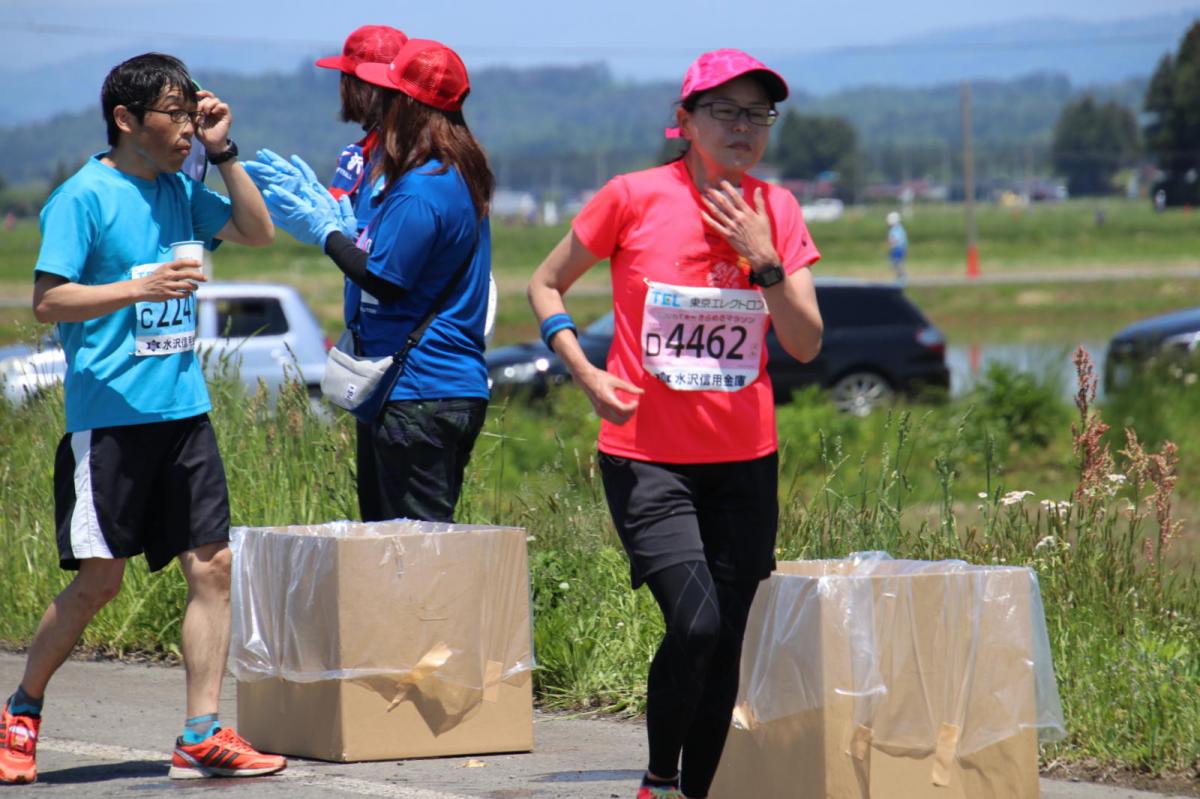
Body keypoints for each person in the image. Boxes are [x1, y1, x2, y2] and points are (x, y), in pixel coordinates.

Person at [527, 49, 823, 799]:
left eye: (758, 114)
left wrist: (764, 260)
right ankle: (659, 780)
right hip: (646, 457)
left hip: (745, 459)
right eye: (724, 111)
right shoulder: (631, 197)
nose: (743, 127)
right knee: (695, 625)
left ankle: (695, 792)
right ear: (684, 121)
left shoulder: (778, 210)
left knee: (727, 643)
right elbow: (546, 282)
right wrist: (584, 370)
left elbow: (805, 342)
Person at [0, 53, 285, 784]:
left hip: (185, 412)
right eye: (176, 115)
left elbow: (258, 232)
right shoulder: (82, 197)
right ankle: (21, 709)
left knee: (213, 566)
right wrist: (141, 287)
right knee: (100, 583)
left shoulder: (181, 190)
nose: (187, 128)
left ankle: (201, 731)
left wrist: (224, 150)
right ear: (126, 119)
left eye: (193, 114)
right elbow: (48, 301)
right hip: (110, 419)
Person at [249, 39, 493, 524]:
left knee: (409, 546)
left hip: (417, 389)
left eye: (391, 95)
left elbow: (385, 280)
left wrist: (327, 233)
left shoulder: (421, 188)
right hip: (442, 386)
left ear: (409, 106)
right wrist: (348, 227)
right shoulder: (458, 175)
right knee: (410, 540)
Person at [886, 210, 908, 285]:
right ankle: (900, 277)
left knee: (897, 263)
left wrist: (891, 242)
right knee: (894, 264)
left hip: (898, 249)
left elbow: (896, 239)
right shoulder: (896, 228)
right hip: (896, 249)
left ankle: (902, 278)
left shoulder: (897, 229)